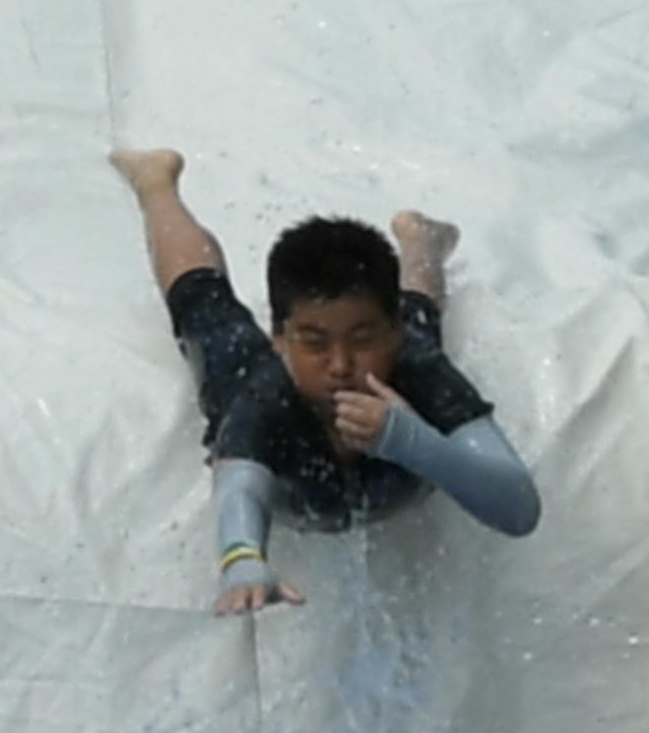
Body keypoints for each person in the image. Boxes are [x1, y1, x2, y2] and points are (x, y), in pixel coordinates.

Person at [107, 148, 541, 614]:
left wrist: (413, 441)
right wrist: (243, 561)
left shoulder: (415, 373)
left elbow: (518, 509)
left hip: (403, 375)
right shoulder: (263, 398)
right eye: (314, 343)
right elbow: (240, 491)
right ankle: (157, 185)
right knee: (205, 309)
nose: (340, 365)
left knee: (420, 316)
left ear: (390, 335)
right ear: (281, 339)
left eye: (362, 340)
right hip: (266, 380)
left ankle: (420, 245)